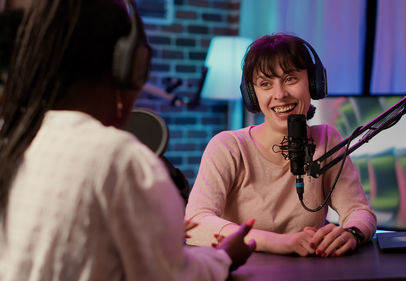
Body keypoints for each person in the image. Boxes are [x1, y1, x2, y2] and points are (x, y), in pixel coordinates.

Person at [0, 1, 255, 280]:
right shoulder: (116, 157)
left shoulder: (19, 140)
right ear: (129, 66)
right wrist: (224, 257)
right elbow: (172, 276)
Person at [185, 33, 376, 258]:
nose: (280, 95)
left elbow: (359, 211)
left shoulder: (326, 140)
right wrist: (279, 242)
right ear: (252, 95)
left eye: (290, 79)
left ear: (314, 83)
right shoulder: (228, 147)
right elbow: (196, 221)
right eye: (265, 84)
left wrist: (351, 232)